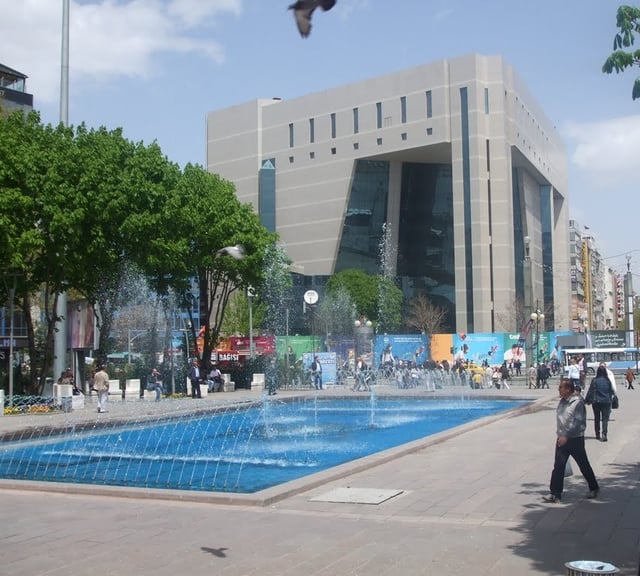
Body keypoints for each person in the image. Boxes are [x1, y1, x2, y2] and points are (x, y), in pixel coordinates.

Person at [543, 378, 599, 503]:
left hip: (574, 439)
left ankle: (594, 487)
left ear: (568, 389)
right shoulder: (562, 401)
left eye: (561, 388)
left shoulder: (577, 402)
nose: (558, 390)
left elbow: (578, 422)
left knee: (583, 464)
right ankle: (555, 493)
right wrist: (561, 434)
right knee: (558, 466)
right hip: (562, 438)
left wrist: (566, 436)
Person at [584, 365, 614, 442]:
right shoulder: (608, 381)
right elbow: (611, 391)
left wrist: (587, 400)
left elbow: (590, 391)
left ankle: (597, 434)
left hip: (596, 402)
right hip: (606, 401)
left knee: (596, 418)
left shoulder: (594, 380)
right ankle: (604, 434)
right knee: (605, 419)